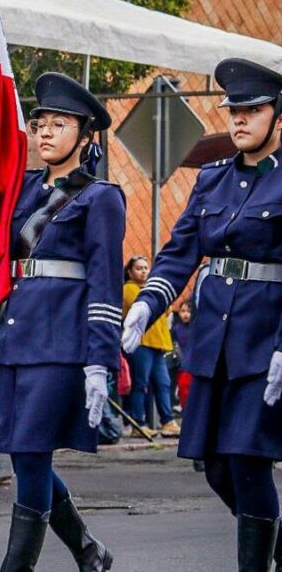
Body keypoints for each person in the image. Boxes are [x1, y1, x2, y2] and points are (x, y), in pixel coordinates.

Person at [0, 73, 123, 571]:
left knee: (30, 455)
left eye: (59, 124)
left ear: (86, 137)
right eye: (40, 123)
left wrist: (99, 360)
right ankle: (89, 552)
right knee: (28, 456)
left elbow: (105, 282)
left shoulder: (100, 197)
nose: (45, 132)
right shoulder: (22, 187)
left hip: (62, 343)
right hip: (19, 336)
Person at [122, 58, 282, 570]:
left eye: (253, 110)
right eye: (234, 110)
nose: (239, 119)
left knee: (248, 460)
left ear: (279, 116)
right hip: (214, 340)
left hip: (266, 338)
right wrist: (147, 304)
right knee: (215, 465)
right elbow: (180, 251)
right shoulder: (212, 180)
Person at [121, 255, 180, 437]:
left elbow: (167, 307)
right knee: (140, 384)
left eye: (146, 268)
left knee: (164, 383)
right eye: (139, 268)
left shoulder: (150, 289)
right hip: (141, 343)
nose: (144, 271)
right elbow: (158, 305)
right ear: (130, 272)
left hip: (158, 343)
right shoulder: (129, 289)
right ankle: (138, 424)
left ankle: (168, 421)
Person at [171, 299, 195, 411]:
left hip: (194, 364)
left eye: (188, 311)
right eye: (183, 311)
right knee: (183, 388)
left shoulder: (196, 328)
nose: (185, 314)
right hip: (181, 364)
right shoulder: (176, 329)